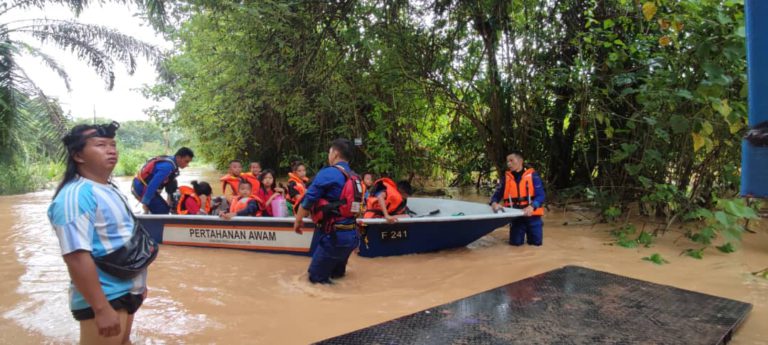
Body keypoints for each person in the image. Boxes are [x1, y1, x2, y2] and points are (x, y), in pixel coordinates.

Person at [48, 121, 149, 345]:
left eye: (113, 144)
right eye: (101, 145)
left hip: (126, 291)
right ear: (78, 156)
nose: (111, 150)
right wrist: (101, 308)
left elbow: (122, 238)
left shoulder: (108, 187)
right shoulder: (75, 196)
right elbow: (75, 256)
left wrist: (139, 287)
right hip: (106, 297)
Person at [293, 138, 363, 284]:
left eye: (329, 152)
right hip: (352, 236)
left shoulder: (329, 173)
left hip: (335, 237)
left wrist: (298, 221)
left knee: (314, 280)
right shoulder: (355, 176)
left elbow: (308, 199)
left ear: (335, 154)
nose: (328, 155)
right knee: (337, 276)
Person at [490, 151, 546, 246]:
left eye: (511, 160)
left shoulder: (533, 176)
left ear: (520, 161)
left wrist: (532, 206)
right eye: (507, 161)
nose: (509, 164)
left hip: (533, 216)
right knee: (515, 245)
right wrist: (494, 203)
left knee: (536, 245)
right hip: (516, 217)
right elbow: (496, 196)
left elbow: (541, 195)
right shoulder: (506, 179)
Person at [131, 147, 194, 214]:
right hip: (141, 188)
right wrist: (145, 203)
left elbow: (166, 182)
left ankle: (166, 204)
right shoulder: (167, 167)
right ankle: (147, 209)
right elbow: (153, 185)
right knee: (164, 211)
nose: (187, 165)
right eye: (186, 161)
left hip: (142, 184)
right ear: (178, 157)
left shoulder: (172, 161)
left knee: (173, 182)